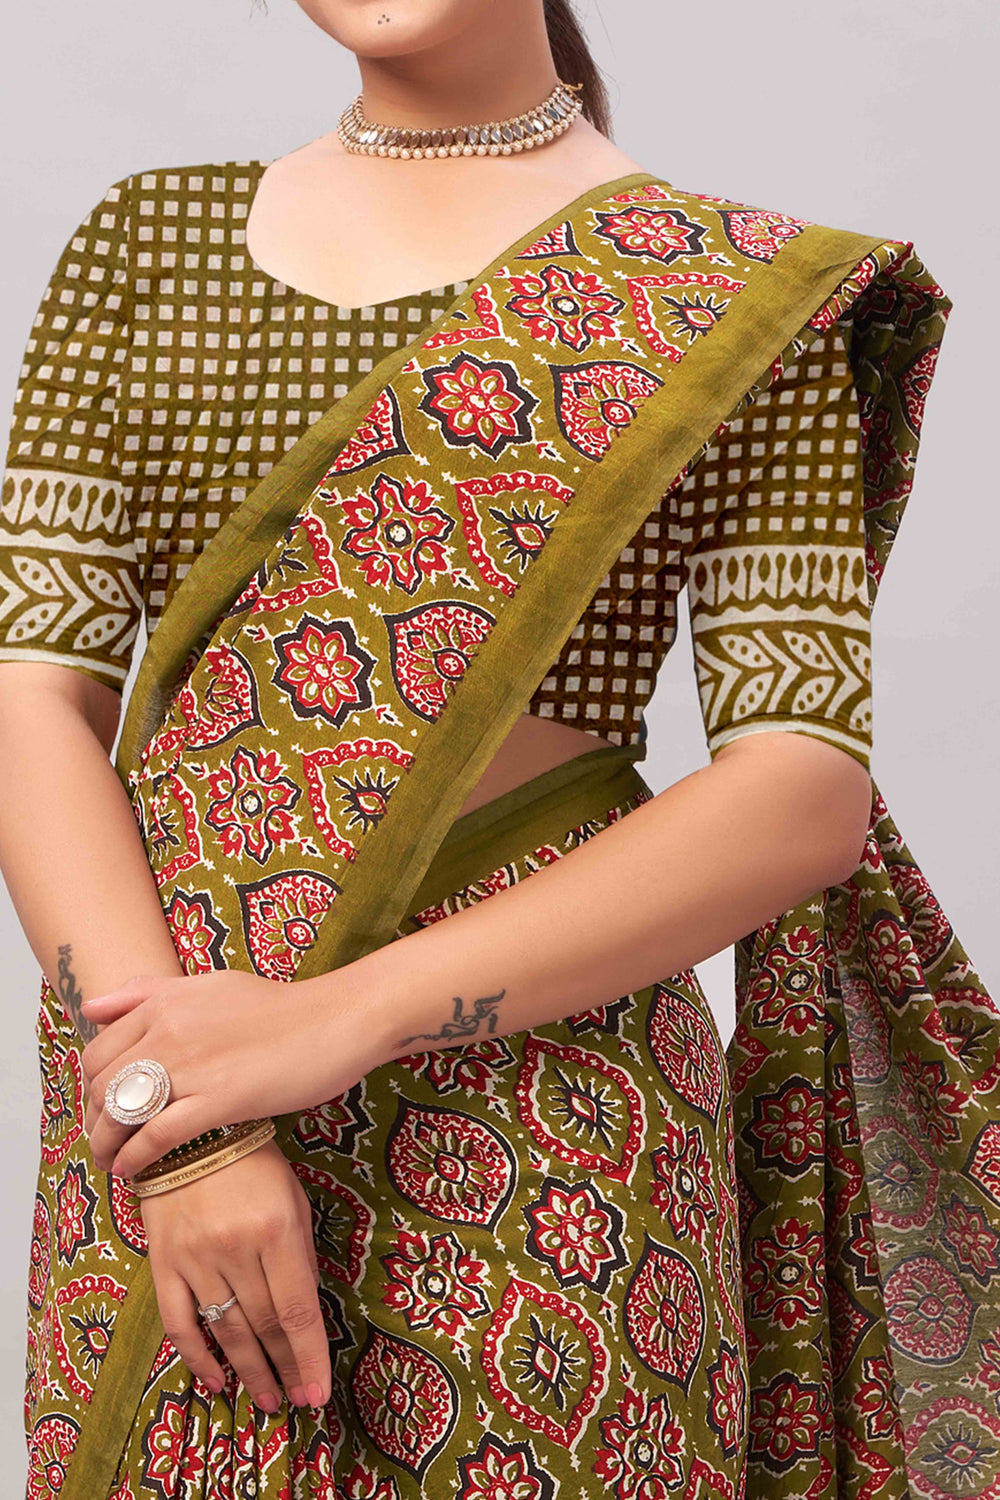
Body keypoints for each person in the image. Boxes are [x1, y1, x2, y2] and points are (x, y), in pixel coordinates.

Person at [2, 2, 996, 1497]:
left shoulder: (726, 288)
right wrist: (185, 1131)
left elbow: (801, 787)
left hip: (551, 1114)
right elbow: (32, 695)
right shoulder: (148, 248)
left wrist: (339, 1020)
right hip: (169, 1066)